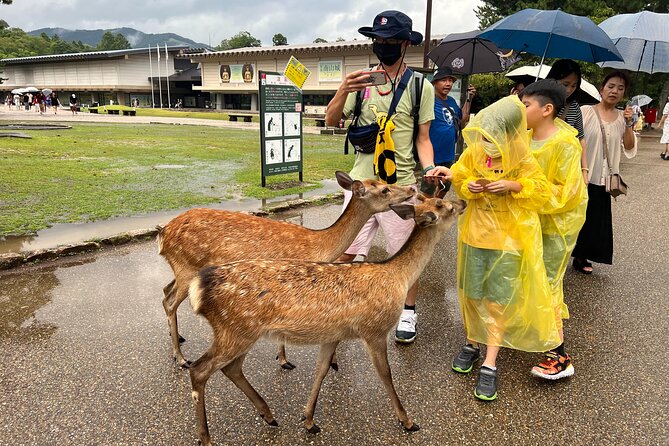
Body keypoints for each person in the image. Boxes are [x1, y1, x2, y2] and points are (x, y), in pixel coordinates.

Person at [325, 10, 448, 344]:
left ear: (405, 43)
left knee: (405, 256)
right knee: (346, 252)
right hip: (362, 186)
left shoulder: (420, 85)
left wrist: (429, 169)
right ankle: (342, 306)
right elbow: (331, 122)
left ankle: (408, 312)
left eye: (391, 40)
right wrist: (341, 90)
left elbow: (423, 138)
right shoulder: (361, 83)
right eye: (378, 40)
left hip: (401, 187)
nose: (383, 46)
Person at [450, 95, 557, 401]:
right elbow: (459, 174)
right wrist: (468, 183)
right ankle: (472, 343)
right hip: (474, 238)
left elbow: (541, 191)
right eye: (482, 136)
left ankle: (490, 362)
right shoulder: (474, 152)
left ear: (509, 134)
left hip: (507, 244)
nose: (486, 143)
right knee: (471, 294)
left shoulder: (522, 159)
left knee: (497, 301)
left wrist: (513, 186)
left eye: (492, 137)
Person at [520, 80, 588, 380]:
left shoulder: (565, 143)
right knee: (527, 278)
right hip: (528, 220)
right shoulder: (524, 136)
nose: (521, 110)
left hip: (556, 225)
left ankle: (560, 355)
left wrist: (521, 189)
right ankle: (532, 333)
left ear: (547, 109)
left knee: (548, 283)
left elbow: (566, 193)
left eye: (526, 105)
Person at [572, 71, 636, 274]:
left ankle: (583, 256)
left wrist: (628, 124)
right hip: (582, 173)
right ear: (602, 88)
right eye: (611, 86)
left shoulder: (622, 118)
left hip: (605, 177)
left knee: (596, 219)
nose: (614, 91)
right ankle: (568, 252)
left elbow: (629, 146)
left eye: (620, 88)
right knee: (576, 216)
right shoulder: (585, 111)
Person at [424, 66, 475, 197]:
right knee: (428, 190)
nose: (448, 84)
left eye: (450, 80)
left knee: (445, 187)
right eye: (443, 80)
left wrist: (469, 98)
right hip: (433, 154)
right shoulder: (428, 100)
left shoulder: (451, 101)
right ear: (435, 82)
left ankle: (436, 207)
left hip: (448, 153)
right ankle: (426, 213)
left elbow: (463, 119)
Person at [546, 59, 589, 184]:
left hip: (565, 168)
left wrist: (584, 171)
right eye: (565, 84)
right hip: (540, 166)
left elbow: (581, 138)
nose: (569, 90)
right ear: (553, 80)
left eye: (574, 86)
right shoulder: (538, 104)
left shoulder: (574, 107)